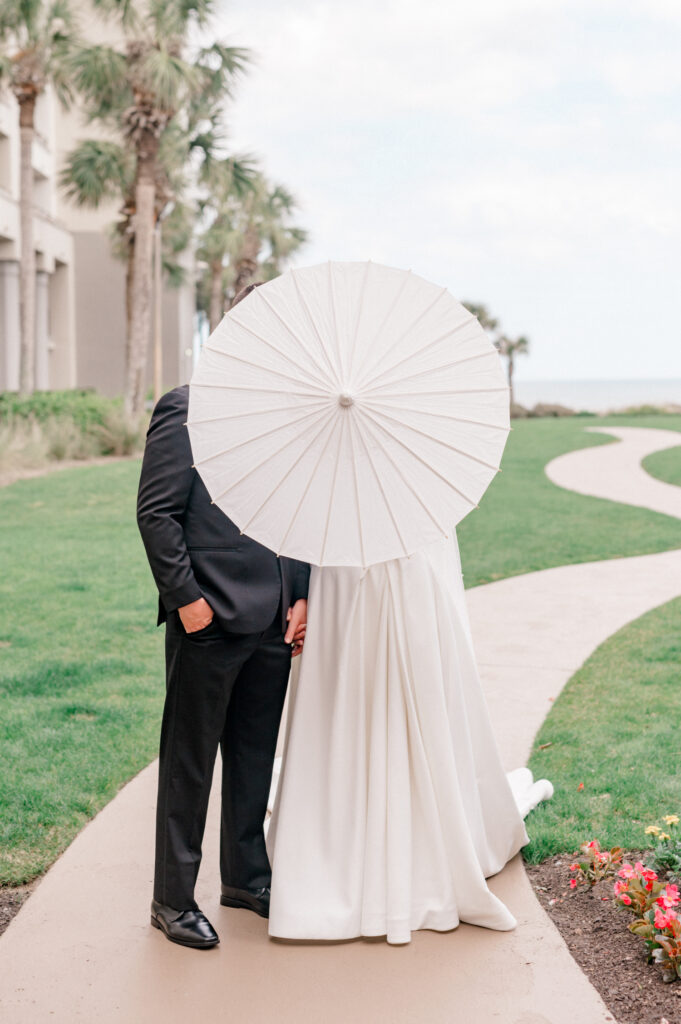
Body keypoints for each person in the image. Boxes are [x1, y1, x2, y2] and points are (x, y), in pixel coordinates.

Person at [266, 531, 551, 945]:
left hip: (402, 578)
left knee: (411, 708)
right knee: (345, 703)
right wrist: (302, 593)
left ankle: (405, 853)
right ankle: (355, 849)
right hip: (338, 584)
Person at [137, 285, 310, 950]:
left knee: (251, 757)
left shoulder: (292, 417)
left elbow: (298, 512)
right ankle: (171, 899)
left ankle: (245, 879)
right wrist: (187, 602)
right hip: (206, 617)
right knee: (189, 763)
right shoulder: (185, 407)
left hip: (272, 616)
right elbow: (157, 513)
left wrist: (299, 593)